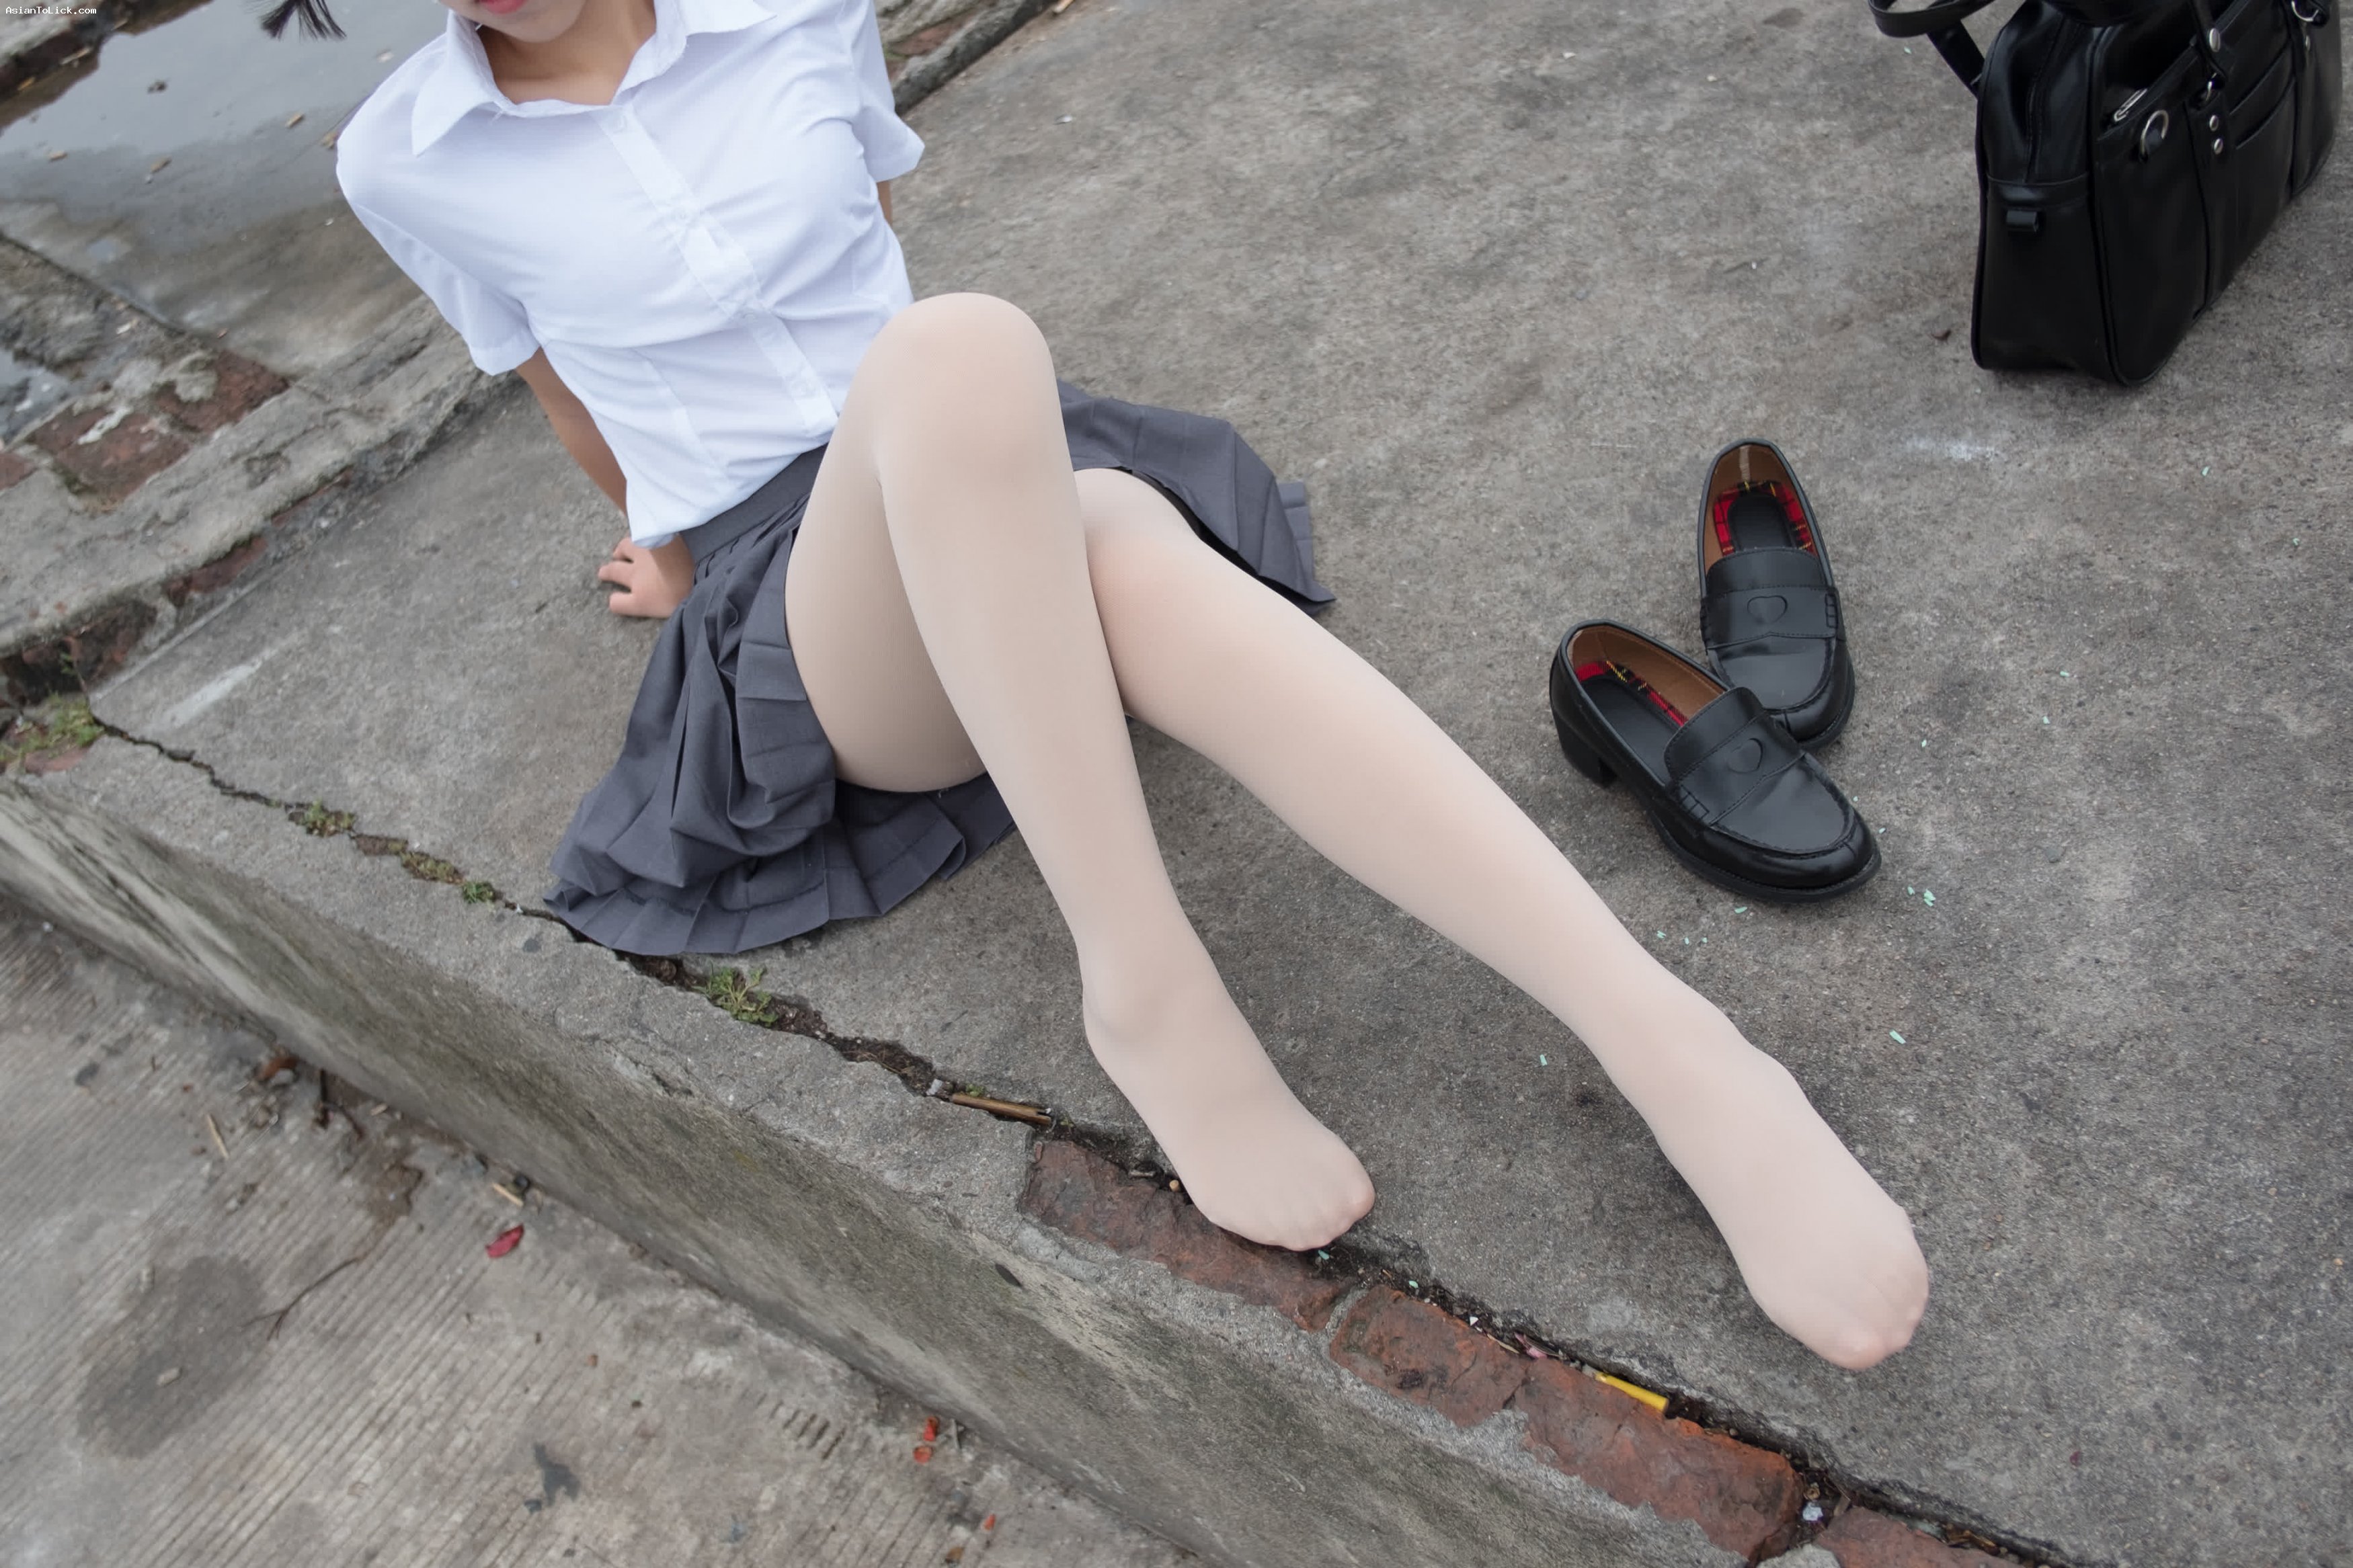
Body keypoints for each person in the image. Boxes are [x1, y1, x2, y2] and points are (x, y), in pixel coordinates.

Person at [311, 0, 1930, 1368]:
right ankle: (1158, 981)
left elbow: (867, 229)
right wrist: (667, 550)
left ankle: (1673, 1049)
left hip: (992, 465)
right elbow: (561, 384)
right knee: (962, 354)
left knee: (1038, 460)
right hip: (805, 608)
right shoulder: (405, 157)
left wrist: (957, 472)